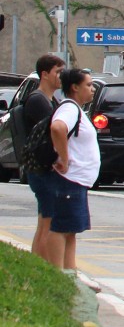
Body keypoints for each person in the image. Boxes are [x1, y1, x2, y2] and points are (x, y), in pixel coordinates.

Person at [46, 68, 102, 292]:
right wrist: (65, 158)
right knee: (60, 228)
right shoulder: (69, 109)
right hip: (69, 178)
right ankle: (57, 276)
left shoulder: (76, 109)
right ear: (74, 87)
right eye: (88, 85)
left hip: (77, 181)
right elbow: (57, 128)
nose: (92, 89)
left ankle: (70, 275)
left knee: (70, 230)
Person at [23, 53, 64, 263]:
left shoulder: (50, 99)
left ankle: (36, 266)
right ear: (45, 74)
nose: (61, 76)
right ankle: (41, 266)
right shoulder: (38, 100)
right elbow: (52, 134)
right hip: (42, 169)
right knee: (48, 223)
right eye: (58, 72)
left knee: (44, 221)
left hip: (44, 169)